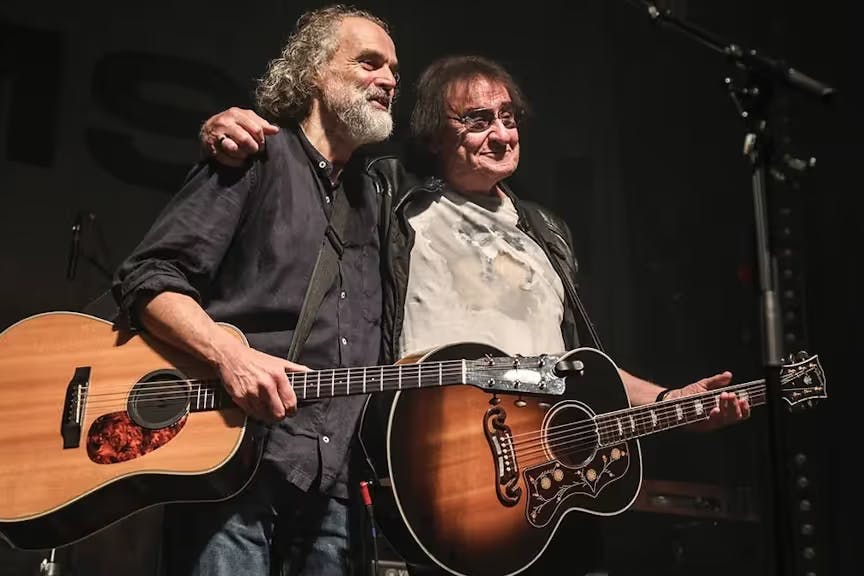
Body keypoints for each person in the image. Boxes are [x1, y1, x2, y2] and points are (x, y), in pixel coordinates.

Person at [111, 5, 398, 576]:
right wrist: (228, 353)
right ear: (316, 71)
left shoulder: (381, 202)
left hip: (335, 482)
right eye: (369, 63)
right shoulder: (254, 154)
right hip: (233, 462)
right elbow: (149, 278)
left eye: (394, 69)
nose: (389, 80)